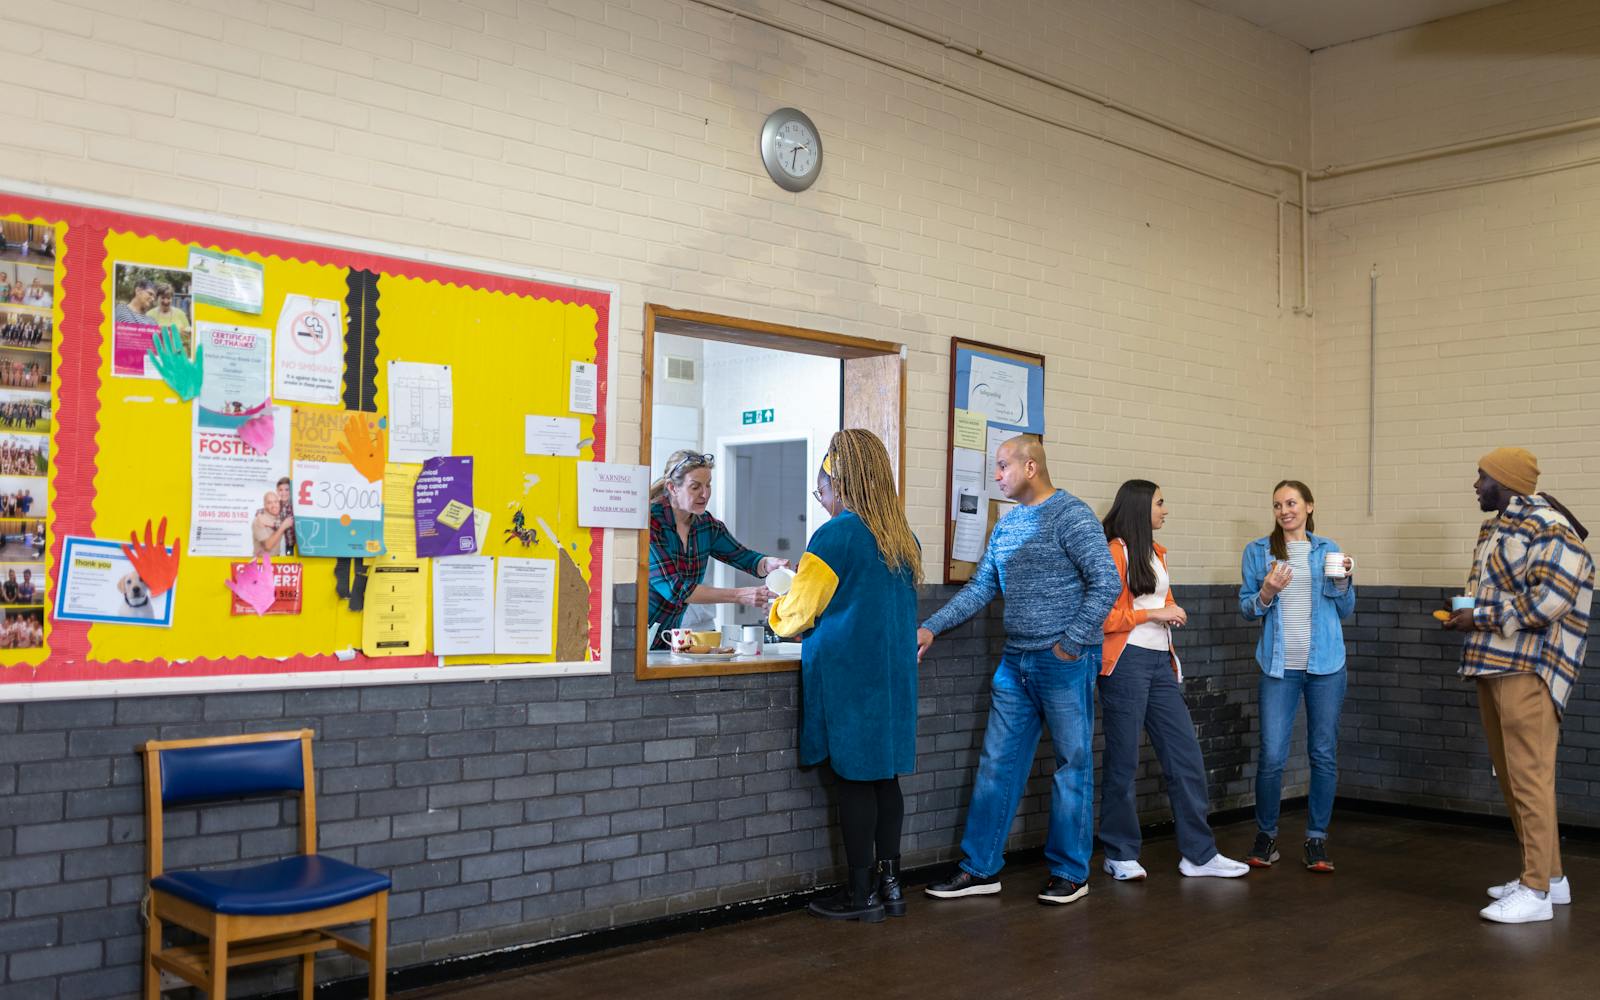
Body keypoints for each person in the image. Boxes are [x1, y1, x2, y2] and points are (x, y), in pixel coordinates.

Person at [919, 435, 1120, 905]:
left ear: (1031, 467)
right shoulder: (1006, 526)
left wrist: (1070, 645)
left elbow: (1106, 581)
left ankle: (1071, 872)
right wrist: (931, 627)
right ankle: (980, 868)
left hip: (1063, 663)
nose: (996, 475)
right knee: (997, 765)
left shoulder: (1072, 515)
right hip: (1016, 664)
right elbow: (979, 589)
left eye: (1003, 466)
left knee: (1072, 766)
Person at [769, 429, 921, 923]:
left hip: (851, 676)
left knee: (855, 780)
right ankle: (891, 885)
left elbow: (797, 612)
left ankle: (860, 896)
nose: (823, 499)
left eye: (822, 489)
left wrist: (774, 612)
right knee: (885, 779)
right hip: (893, 675)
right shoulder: (903, 536)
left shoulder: (835, 535)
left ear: (841, 483)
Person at [1442, 448, 1593, 924]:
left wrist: (1481, 616)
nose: (1475, 485)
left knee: (1530, 778)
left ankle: (1535, 894)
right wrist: (1470, 614)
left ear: (1504, 480)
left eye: (1481, 476)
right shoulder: (1497, 526)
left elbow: (1553, 598)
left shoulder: (1549, 526)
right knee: (1512, 776)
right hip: (1492, 662)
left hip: (1529, 667)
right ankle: (1549, 878)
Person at [1098, 480, 1249, 881]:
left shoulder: (1156, 553)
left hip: (1159, 664)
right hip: (1125, 664)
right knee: (1123, 761)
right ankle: (1119, 852)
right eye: (1161, 503)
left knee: (1185, 757)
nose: (1166, 510)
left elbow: (1156, 600)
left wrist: (1170, 608)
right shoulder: (1116, 552)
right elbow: (1104, 618)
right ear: (1139, 508)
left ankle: (1199, 854)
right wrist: (1155, 615)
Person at [1239, 480, 1355, 873]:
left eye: (1291, 503)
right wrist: (1267, 591)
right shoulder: (1258, 552)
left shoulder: (1328, 549)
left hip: (1326, 667)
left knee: (1322, 754)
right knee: (1272, 755)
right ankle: (1266, 836)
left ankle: (1316, 840)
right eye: (1277, 505)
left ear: (1309, 506)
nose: (1284, 510)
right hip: (1278, 667)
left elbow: (1345, 609)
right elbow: (1248, 609)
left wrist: (1343, 580)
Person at [646, 449, 786, 645]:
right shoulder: (650, 523)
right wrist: (740, 595)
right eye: (695, 487)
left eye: (708, 485)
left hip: (668, 636)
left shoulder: (706, 525)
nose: (705, 494)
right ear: (672, 487)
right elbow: (676, 589)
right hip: (635, 634)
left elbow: (744, 558)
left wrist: (768, 563)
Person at [148, 282, 191, 351]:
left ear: (172, 298)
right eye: (162, 298)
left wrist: (184, 334)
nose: (166, 301)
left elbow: (188, 338)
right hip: (157, 356)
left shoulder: (181, 314)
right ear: (157, 298)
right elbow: (145, 338)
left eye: (168, 298)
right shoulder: (149, 315)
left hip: (177, 356)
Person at [251, 489, 294, 557]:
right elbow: (268, 546)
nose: (274, 505)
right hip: (261, 563)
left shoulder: (279, 518)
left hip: (276, 561)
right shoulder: (258, 521)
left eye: (276, 502)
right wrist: (283, 527)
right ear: (264, 505)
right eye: (269, 503)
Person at [276, 477, 297, 556]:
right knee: (288, 559)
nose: (283, 493)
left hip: (297, 544)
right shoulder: (276, 506)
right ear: (277, 491)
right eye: (280, 490)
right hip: (287, 544)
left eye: (287, 489)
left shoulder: (295, 505)